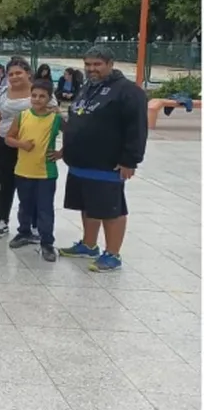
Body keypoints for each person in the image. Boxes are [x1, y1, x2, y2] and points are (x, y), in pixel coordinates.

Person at [58, 46, 147, 272]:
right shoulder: (88, 87)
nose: (91, 69)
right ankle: (89, 245)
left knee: (111, 209)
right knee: (88, 205)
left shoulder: (128, 91)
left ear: (110, 64)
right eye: (88, 64)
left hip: (107, 163)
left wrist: (130, 160)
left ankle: (113, 254)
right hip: (81, 162)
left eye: (97, 64)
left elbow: (137, 128)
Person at [0, 57, 57, 238]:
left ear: (28, 73)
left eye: (18, 73)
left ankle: (33, 225)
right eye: (11, 74)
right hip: (6, 144)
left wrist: (58, 150)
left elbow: (54, 120)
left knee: (32, 186)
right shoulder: (2, 94)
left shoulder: (41, 93)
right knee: (6, 184)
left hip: (33, 147)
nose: (14, 77)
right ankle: (2, 221)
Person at [4, 80, 63, 262]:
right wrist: (21, 144)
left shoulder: (56, 118)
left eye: (42, 96)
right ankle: (24, 232)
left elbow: (74, 134)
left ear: (49, 98)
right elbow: (8, 138)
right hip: (23, 170)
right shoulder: (22, 116)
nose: (37, 99)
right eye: (34, 95)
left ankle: (47, 242)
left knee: (45, 208)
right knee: (25, 205)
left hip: (46, 172)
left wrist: (61, 153)